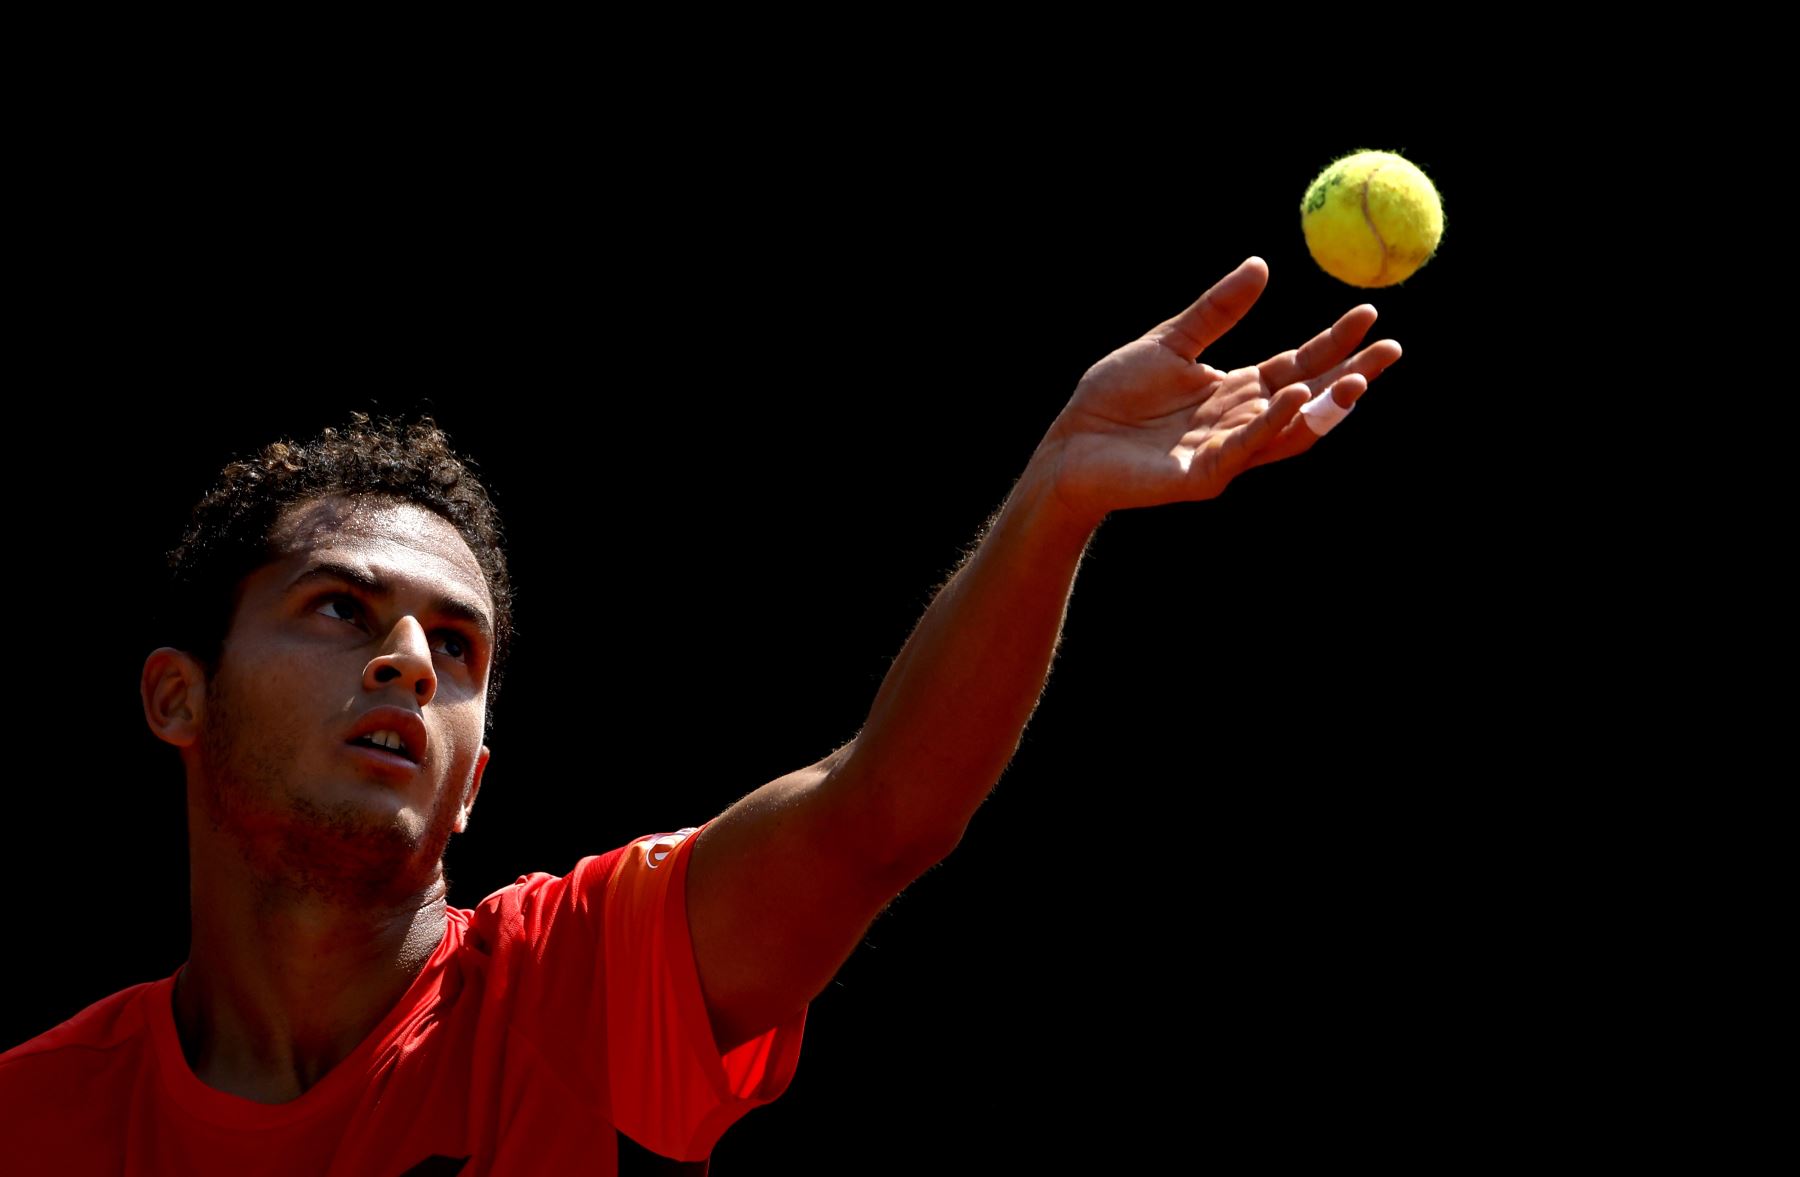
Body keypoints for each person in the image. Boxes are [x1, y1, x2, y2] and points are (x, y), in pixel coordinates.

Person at [0, 257, 1401, 1175]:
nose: (411, 663)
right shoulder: (32, 1117)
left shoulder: (573, 985)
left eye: (459, 644)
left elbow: (879, 817)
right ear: (178, 695)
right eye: (339, 609)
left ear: (477, 777)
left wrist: (1057, 502)